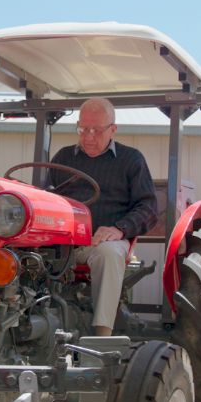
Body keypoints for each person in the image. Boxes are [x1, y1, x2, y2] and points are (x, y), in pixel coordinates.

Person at [48, 98, 159, 337]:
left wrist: (119, 228)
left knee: (107, 253)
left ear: (113, 129)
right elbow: (47, 197)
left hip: (104, 241)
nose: (88, 137)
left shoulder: (131, 160)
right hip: (64, 243)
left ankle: (101, 335)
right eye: (82, 129)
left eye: (96, 130)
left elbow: (149, 207)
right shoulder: (63, 158)